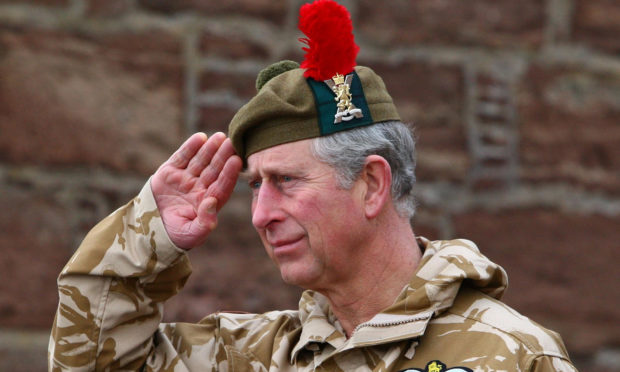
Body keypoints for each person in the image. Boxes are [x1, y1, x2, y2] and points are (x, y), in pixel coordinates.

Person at [49, 1, 577, 371]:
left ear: (371, 183)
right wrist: (146, 237)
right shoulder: (249, 357)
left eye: (285, 181)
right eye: (256, 186)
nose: (260, 214)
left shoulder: (511, 355)